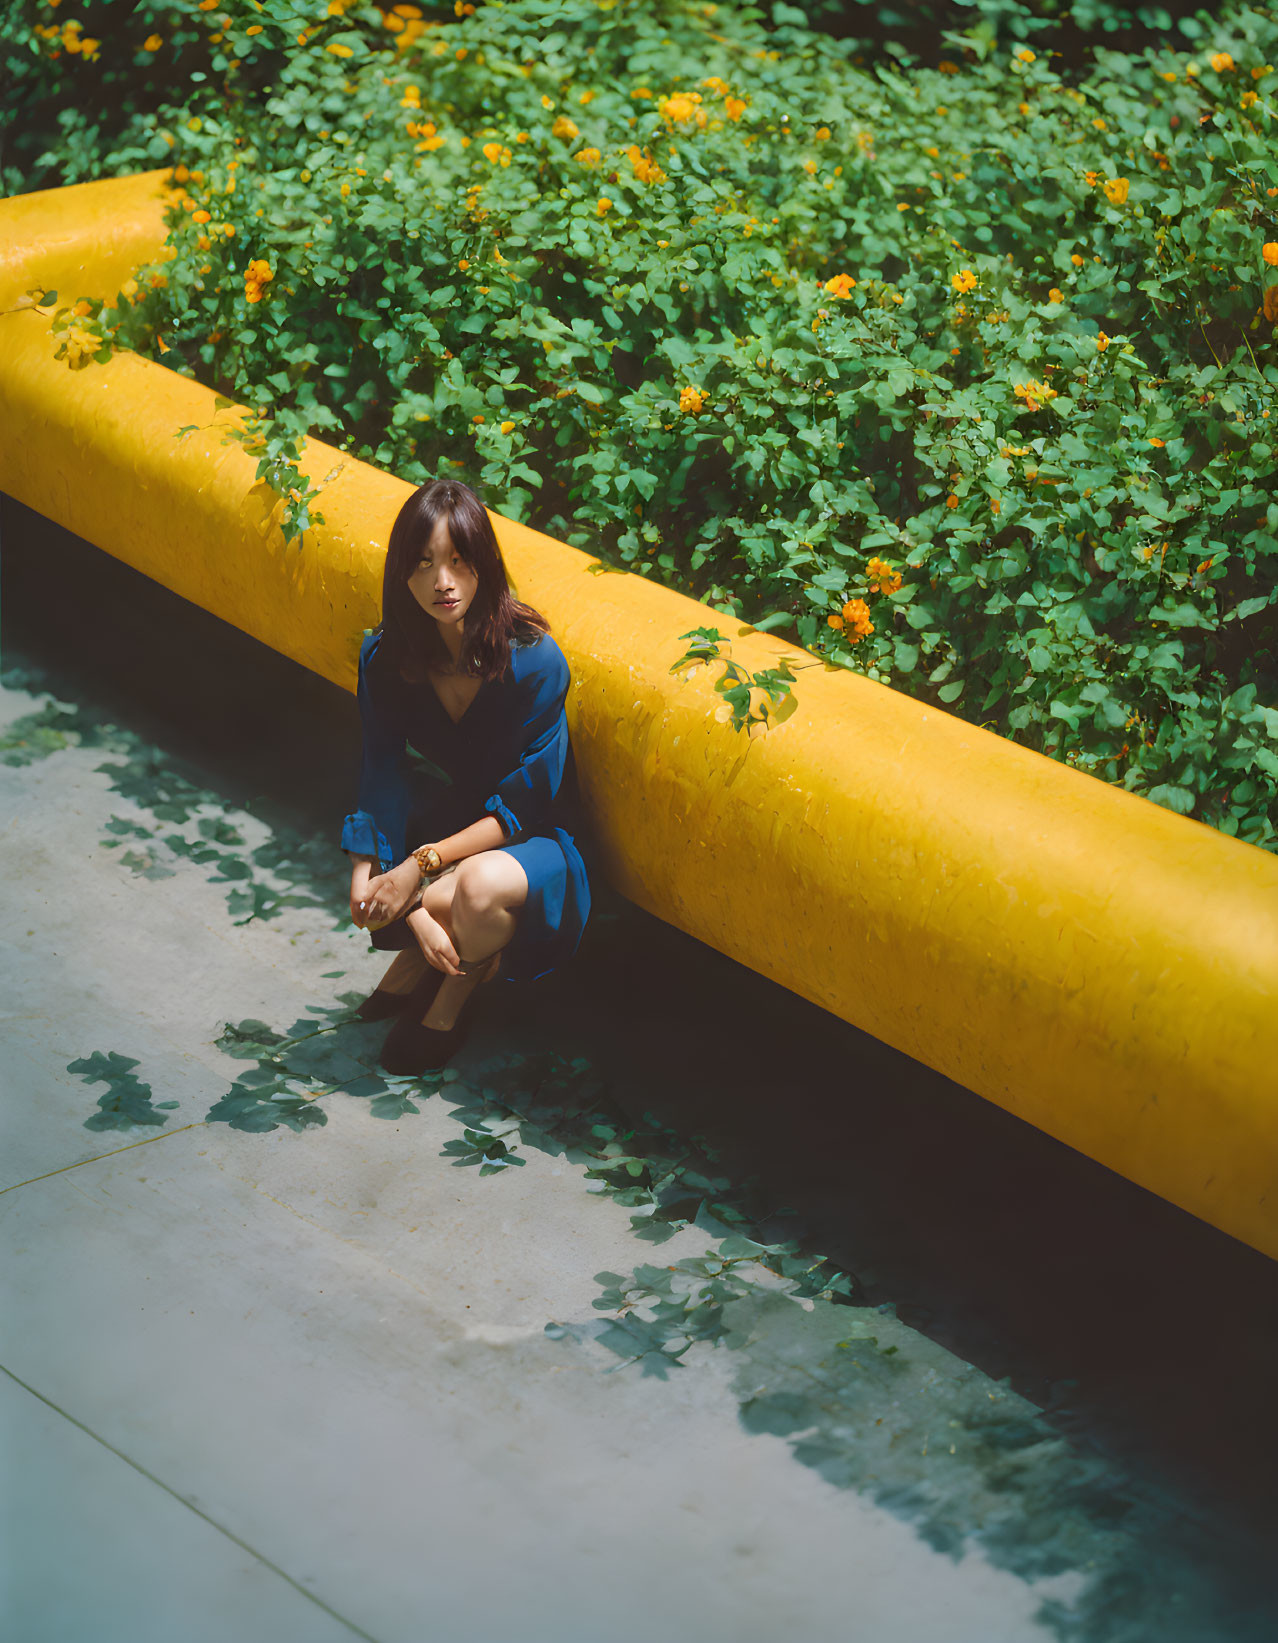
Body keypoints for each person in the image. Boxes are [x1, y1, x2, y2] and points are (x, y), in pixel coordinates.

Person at [341, 478, 593, 1074]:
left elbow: (523, 806)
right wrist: (364, 874)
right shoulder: (387, 660)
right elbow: (381, 767)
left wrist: (416, 879)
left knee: (473, 890)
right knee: (416, 883)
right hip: (460, 824)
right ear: (402, 573)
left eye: (458, 560)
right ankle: (423, 954)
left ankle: (452, 993)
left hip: (536, 836)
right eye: (423, 563)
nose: (442, 582)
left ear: (484, 563)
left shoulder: (533, 660)